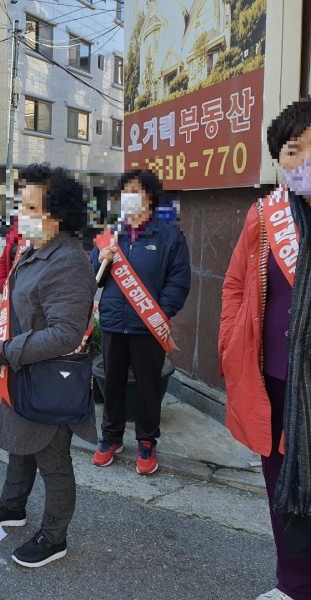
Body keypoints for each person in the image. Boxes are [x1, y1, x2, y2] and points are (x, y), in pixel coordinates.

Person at [0, 164, 96, 568]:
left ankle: (54, 536)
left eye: (32, 206)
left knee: (52, 459)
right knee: (20, 442)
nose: (22, 215)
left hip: (47, 378)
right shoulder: (34, 249)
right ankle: (13, 506)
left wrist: (5, 352)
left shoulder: (67, 259)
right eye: (21, 206)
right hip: (23, 371)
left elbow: (65, 333)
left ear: (58, 211)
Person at [220, 99, 311, 600]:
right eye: (294, 150)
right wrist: (231, 343)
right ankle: (293, 585)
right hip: (275, 380)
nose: (304, 162)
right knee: (282, 491)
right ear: (280, 159)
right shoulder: (265, 215)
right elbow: (235, 285)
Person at [89, 170, 190, 475]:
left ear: (150, 197)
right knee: (112, 383)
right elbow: (94, 273)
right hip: (112, 322)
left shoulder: (168, 234)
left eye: (136, 191)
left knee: (148, 386)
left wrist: (162, 311)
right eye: (125, 192)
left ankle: (146, 441)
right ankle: (110, 437)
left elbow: (179, 279)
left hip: (147, 325)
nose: (129, 198)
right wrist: (99, 258)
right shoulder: (111, 234)